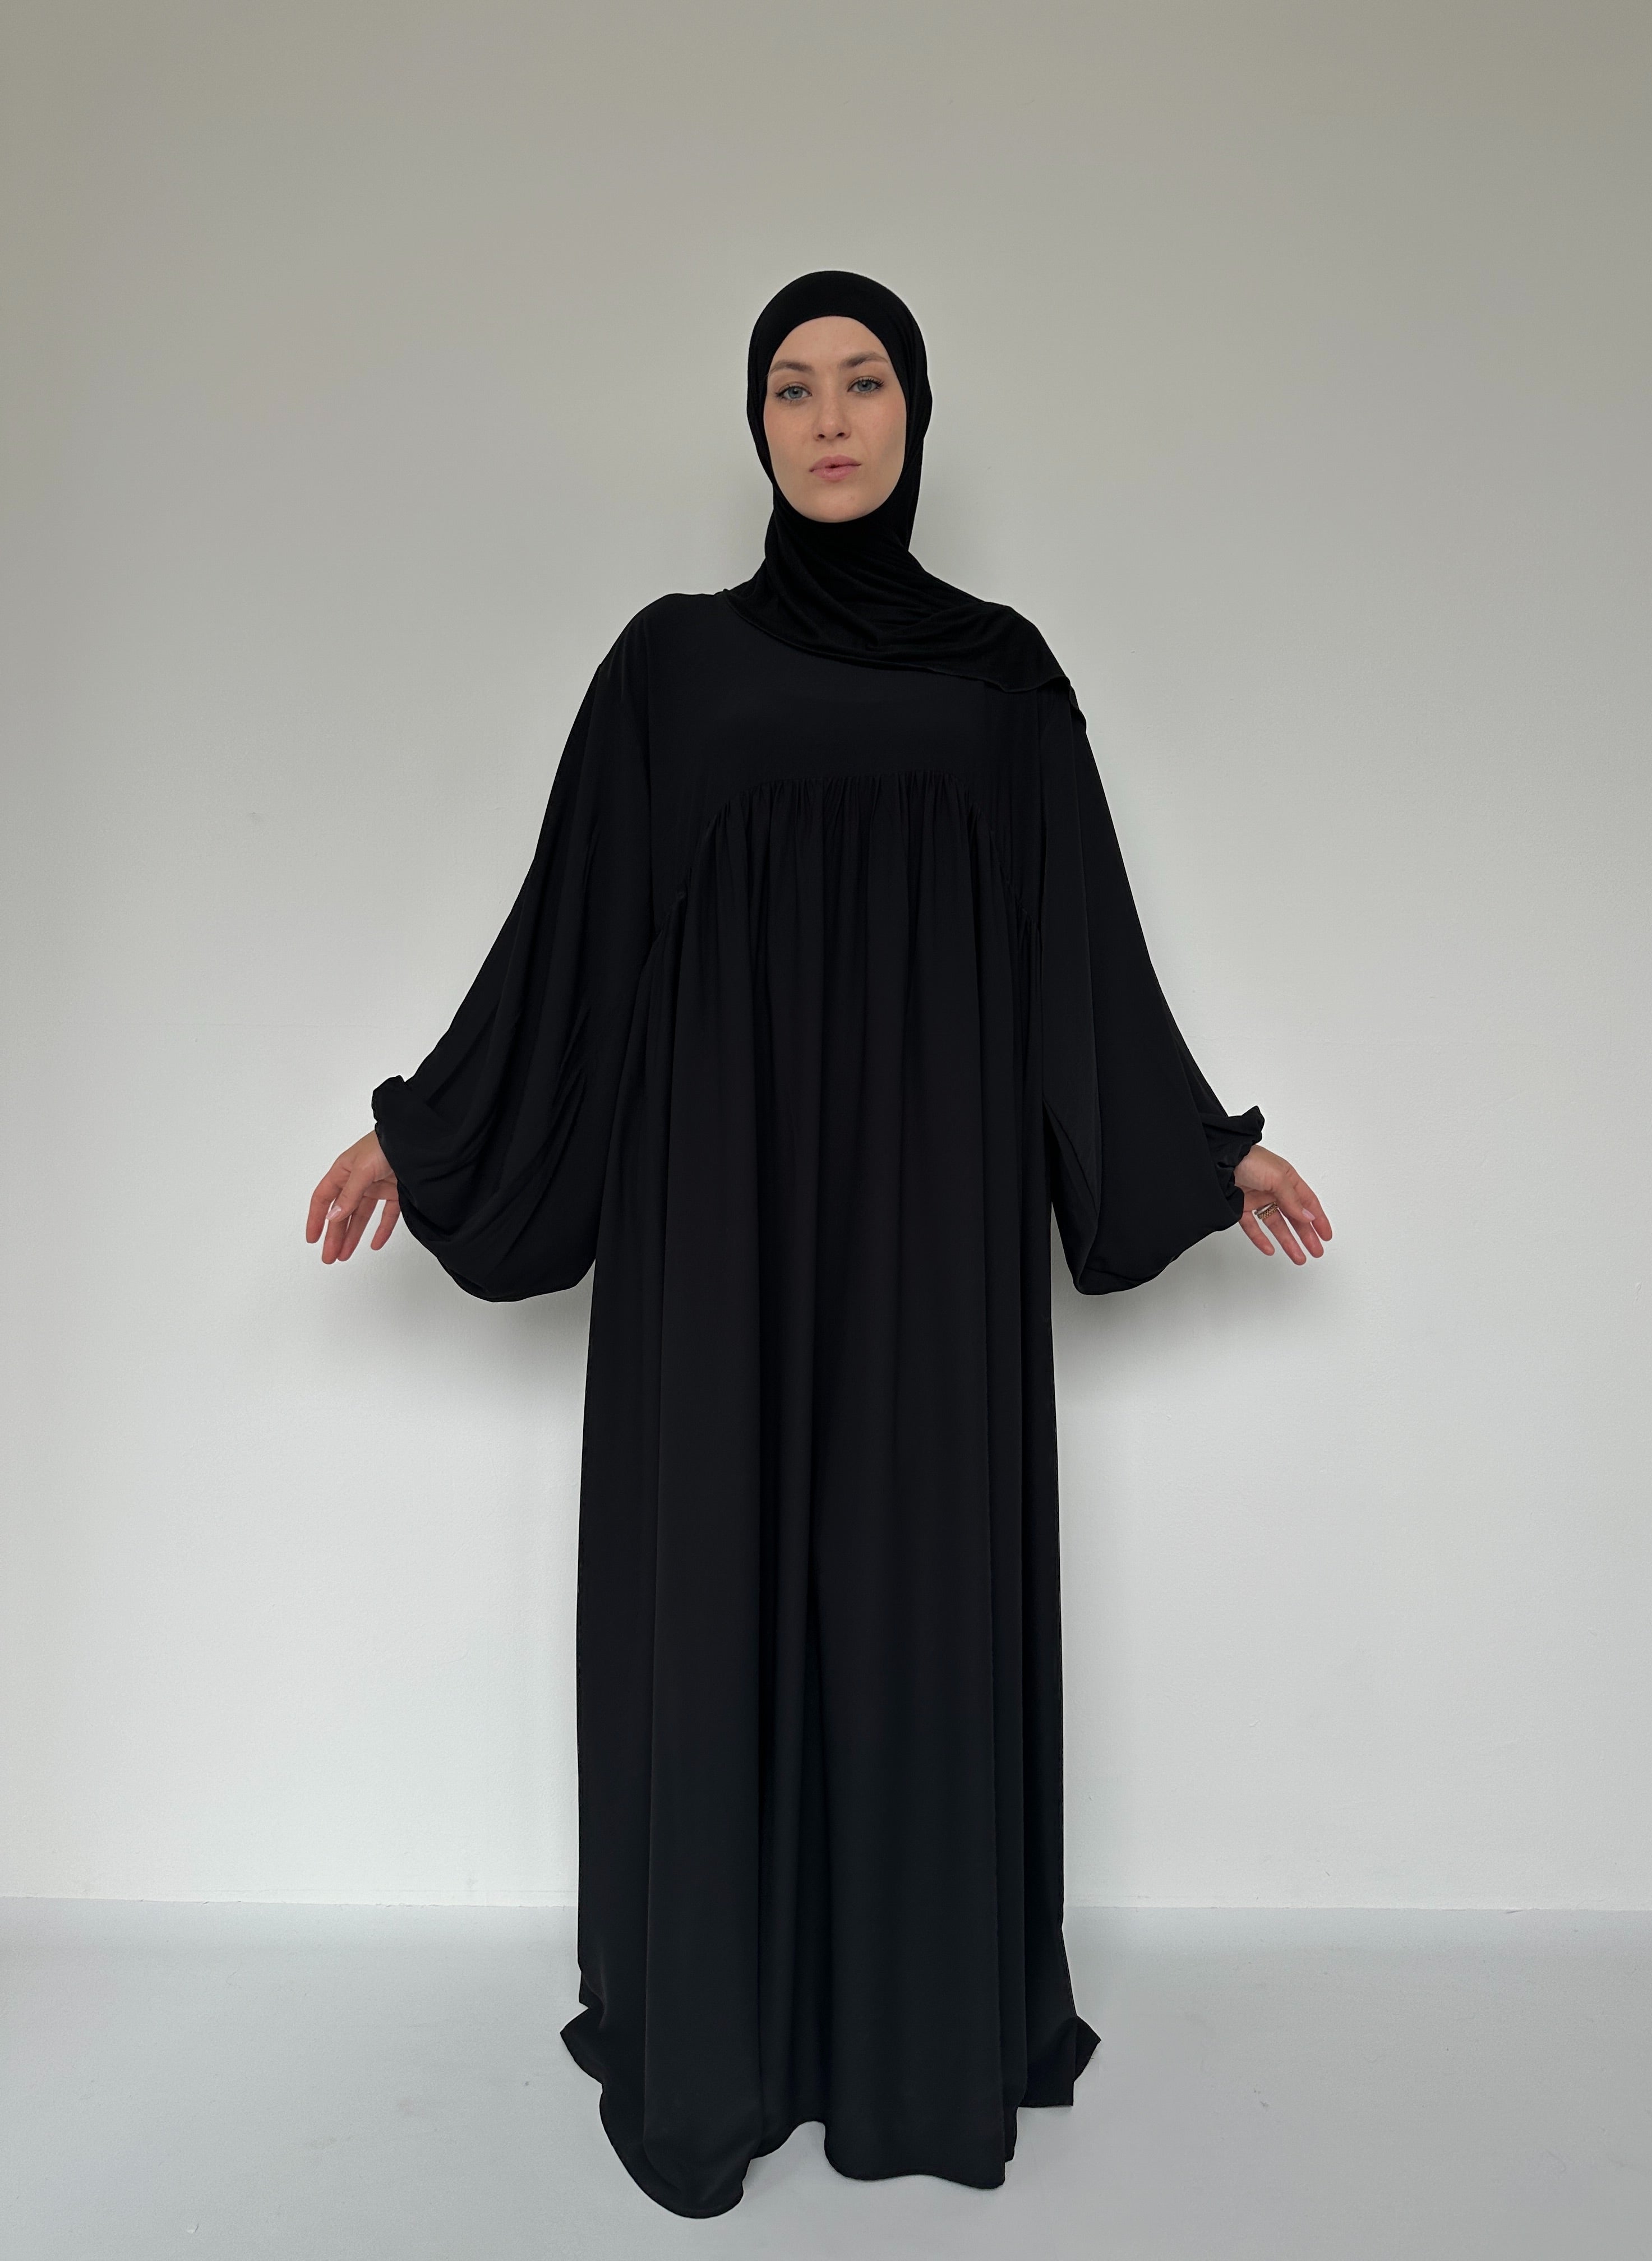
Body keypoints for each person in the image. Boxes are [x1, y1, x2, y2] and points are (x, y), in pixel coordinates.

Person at [306, 270, 1331, 2218]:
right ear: (756, 423)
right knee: (719, 1582)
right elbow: (571, 942)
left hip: (933, 1229)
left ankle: (908, 2037)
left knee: (911, 1583)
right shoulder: (671, 669)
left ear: (917, 415)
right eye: (793, 387)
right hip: (715, 1221)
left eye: (866, 383)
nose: (832, 419)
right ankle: (725, 2030)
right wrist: (425, 1132)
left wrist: (1209, 1154)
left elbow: (1079, 950)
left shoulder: (1002, 682)